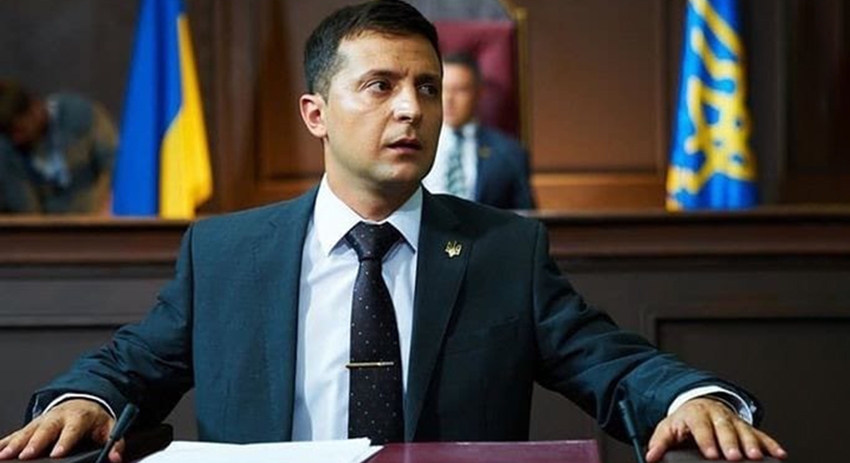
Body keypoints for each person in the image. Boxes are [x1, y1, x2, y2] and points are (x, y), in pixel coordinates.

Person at [0, 1, 785, 462]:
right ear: (316, 114)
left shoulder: (504, 251)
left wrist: (689, 395)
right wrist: (88, 399)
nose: (412, 108)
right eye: (379, 86)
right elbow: (131, 366)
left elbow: (608, 362)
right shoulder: (227, 253)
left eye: (427, 88)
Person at [422, 53, 535, 209]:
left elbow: (526, 215)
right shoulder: (414, 143)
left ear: (479, 92)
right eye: (442, 89)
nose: (448, 99)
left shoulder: (509, 153)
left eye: (460, 90)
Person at [0, 81, 117, 214]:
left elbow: (114, 166)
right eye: (8, 134)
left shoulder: (80, 114)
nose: (16, 140)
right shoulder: (7, 150)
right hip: (49, 224)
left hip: (99, 214)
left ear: (35, 108)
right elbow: (27, 211)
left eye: (19, 130)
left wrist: (98, 214)